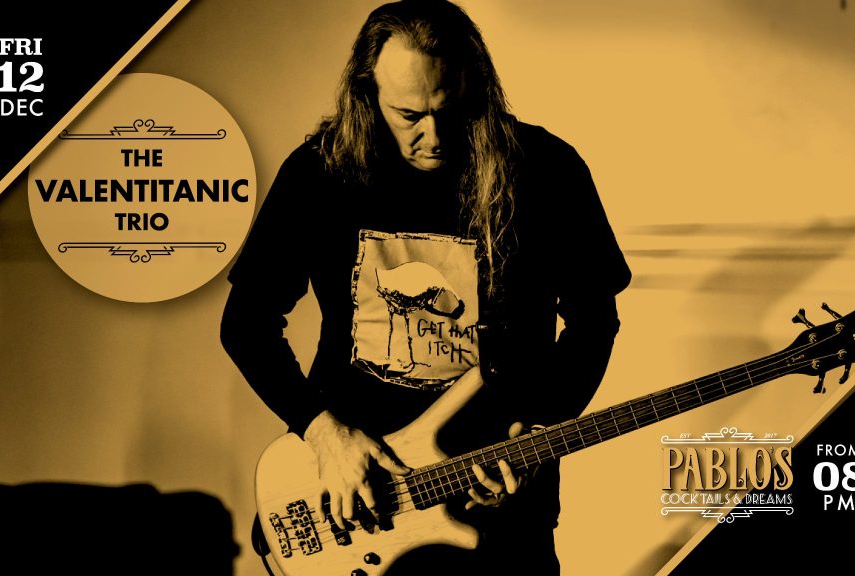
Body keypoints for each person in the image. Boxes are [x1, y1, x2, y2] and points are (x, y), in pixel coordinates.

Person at [221, 1, 631, 572]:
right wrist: (324, 434)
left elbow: (595, 320)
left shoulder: (547, 170)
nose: (433, 136)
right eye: (408, 115)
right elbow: (247, 323)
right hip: (357, 503)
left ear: (476, 88)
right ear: (367, 94)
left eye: (450, 109)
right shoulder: (319, 173)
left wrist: (539, 431)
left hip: (503, 511)